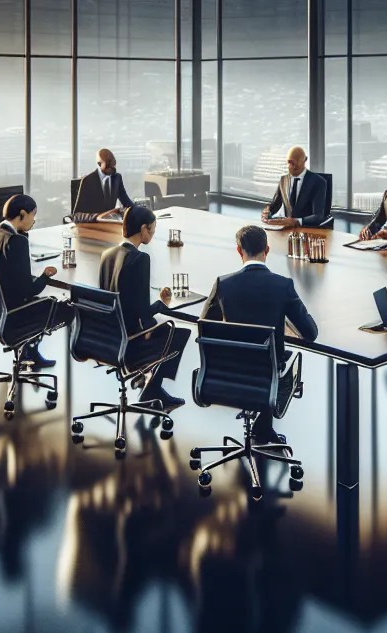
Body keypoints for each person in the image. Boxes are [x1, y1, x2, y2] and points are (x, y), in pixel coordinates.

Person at [200, 224, 318, 446]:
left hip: (229, 373)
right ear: (267, 250)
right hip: (267, 376)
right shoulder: (283, 285)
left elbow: (206, 326)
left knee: (259, 355)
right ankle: (263, 427)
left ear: (239, 250)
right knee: (277, 355)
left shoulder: (223, 284)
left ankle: (262, 428)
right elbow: (310, 333)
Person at [99, 205, 192, 412]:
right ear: (143, 229)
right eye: (153, 229)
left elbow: (110, 301)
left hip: (107, 338)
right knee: (176, 333)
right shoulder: (140, 259)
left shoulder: (107, 254)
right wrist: (161, 305)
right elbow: (141, 312)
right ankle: (152, 387)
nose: (153, 234)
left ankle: (146, 379)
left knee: (159, 327)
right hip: (130, 342)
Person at [0, 193, 70, 369]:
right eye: (33, 215)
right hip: (14, 316)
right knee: (68, 308)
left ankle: (29, 351)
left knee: (29, 300)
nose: (34, 220)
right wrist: (45, 276)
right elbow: (30, 289)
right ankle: (30, 348)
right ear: (22, 214)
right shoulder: (16, 241)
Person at [262, 146, 331, 229]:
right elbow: (275, 205)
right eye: (289, 163)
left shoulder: (318, 182)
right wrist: (267, 212)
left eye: (294, 163)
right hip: (285, 229)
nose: (291, 167)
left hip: (307, 230)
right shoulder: (284, 180)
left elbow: (318, 216)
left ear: (304, 161)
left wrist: (296, 221)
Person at [73, 148, 136, 221]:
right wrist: (97, 217)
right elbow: (76, 215)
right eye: (109, 164)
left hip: (112, 224)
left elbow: (127, 203)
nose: (113, 167)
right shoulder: (88, 181)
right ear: (99, 164)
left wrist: (139, 212)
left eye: (114, 164)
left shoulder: (117, 178)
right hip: (94, 224)